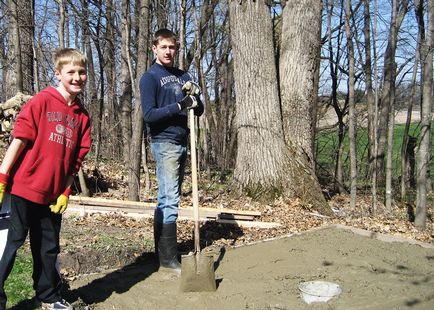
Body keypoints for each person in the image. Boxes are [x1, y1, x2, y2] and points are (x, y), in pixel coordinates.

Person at [0, 48, 91, 310]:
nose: (77, 77)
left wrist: (64, 191)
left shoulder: (82, 117)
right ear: (58, 73)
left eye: (81, 72)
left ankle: (48, 295)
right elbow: (19, 139)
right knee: (11, 244)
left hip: (52, 196)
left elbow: (75, 161)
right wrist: (3, 177)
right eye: (71, 72)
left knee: (48, 248)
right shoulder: (42, 101)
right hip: (24, 188)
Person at [140, 29, 204, 273]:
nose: (168, 51)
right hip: (163, 141)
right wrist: (179, 105)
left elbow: (198, 110)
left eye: (172, 47)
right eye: (164, 47)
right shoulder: (150, 77)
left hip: (181, 140)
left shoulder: (183, 75)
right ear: (154, 48)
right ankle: (167, 258)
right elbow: (149, 115)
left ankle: (162, 252)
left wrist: (195, 98)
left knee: (167, 197)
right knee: (170, 199)